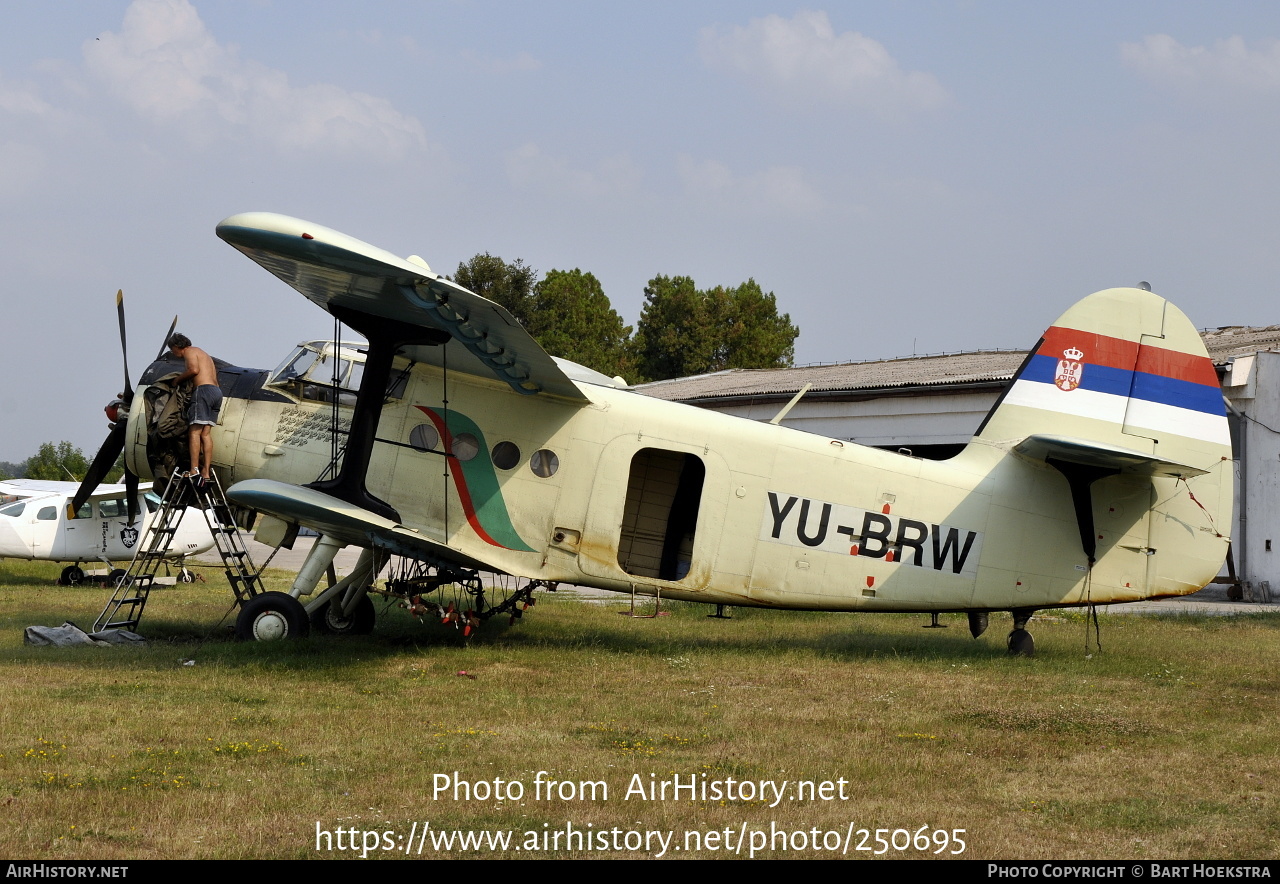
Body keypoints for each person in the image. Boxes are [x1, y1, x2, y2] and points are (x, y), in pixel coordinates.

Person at [167, 333, 222, 483]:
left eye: (173, 350)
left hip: (203, 391)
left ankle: (194, 469)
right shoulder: (203, 353)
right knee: (205, 434)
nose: (174, 354)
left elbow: (194, 370)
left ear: (178, 347)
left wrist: (176, 380)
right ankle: (206, 472)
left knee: (194, 432)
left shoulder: (190, 352)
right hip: (216, 393)